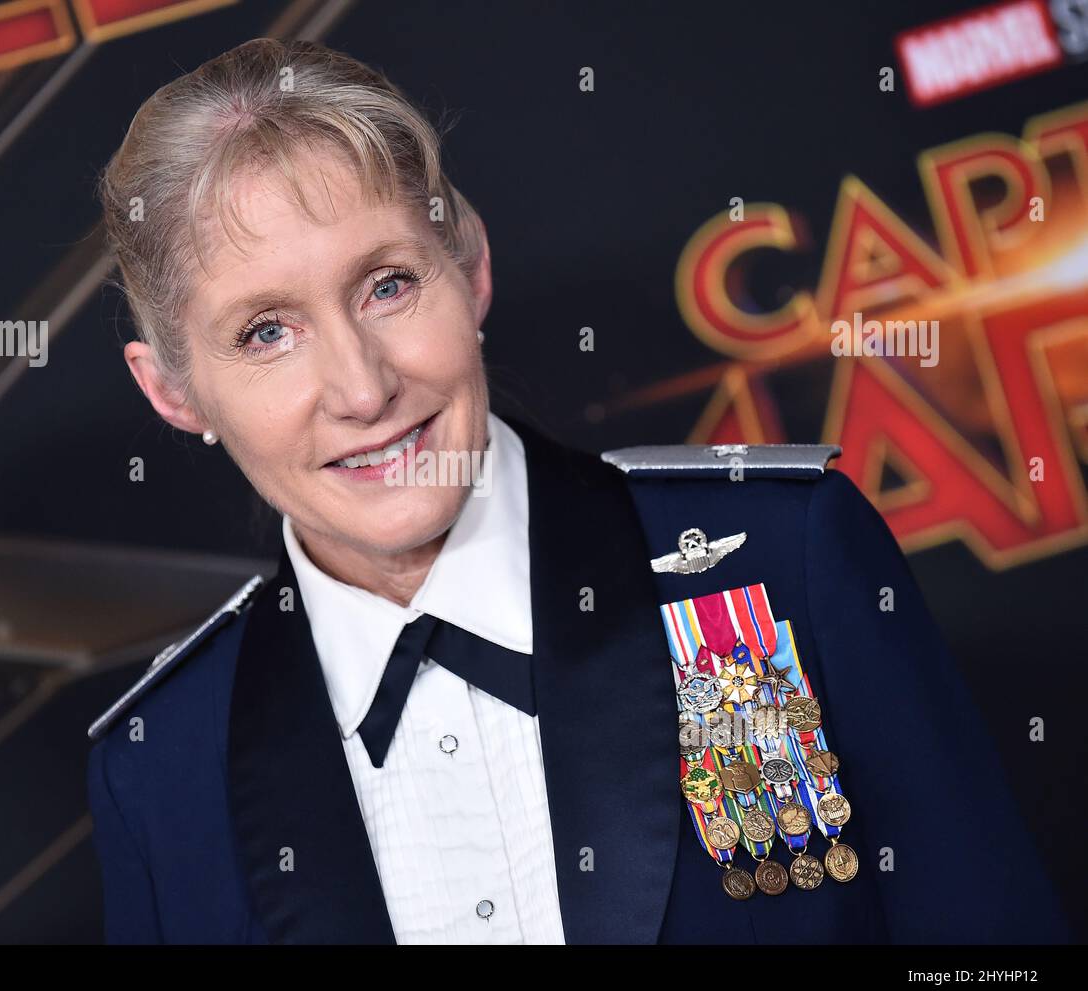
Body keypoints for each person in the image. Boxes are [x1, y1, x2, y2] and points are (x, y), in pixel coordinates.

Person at [85, 37, 1069, 944]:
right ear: (172, 390)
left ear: (467, 268)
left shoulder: (784, 555)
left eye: (387, 284)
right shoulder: (160, 756)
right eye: (266, 332)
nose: (362, 386)